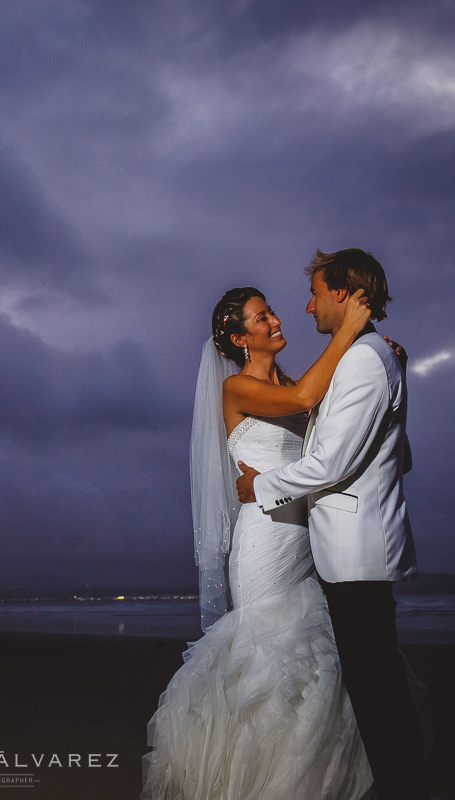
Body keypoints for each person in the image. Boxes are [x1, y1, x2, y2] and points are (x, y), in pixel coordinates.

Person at [143, 282, 375, 800]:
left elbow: (330, 404)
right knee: (270, 667)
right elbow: (303, 399)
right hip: (264, 544)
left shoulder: (296, 380)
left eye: (271, 311)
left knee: (317, 671)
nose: (275, 320)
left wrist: (377, 351)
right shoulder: (238, 390)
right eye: (260, 317)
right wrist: (350, 331)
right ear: (239, 338)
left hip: (304, 546)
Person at [237, 249, 427, 800]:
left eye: (317, 293)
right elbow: (394, 454)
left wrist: (260, 487)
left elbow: (332, 463)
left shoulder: (367, 360)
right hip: (347, 549)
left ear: (342, 294)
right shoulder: (362, 358)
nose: (307, 305)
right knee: (373, 688)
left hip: (357, 549)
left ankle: (403, 788)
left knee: (377, 693)